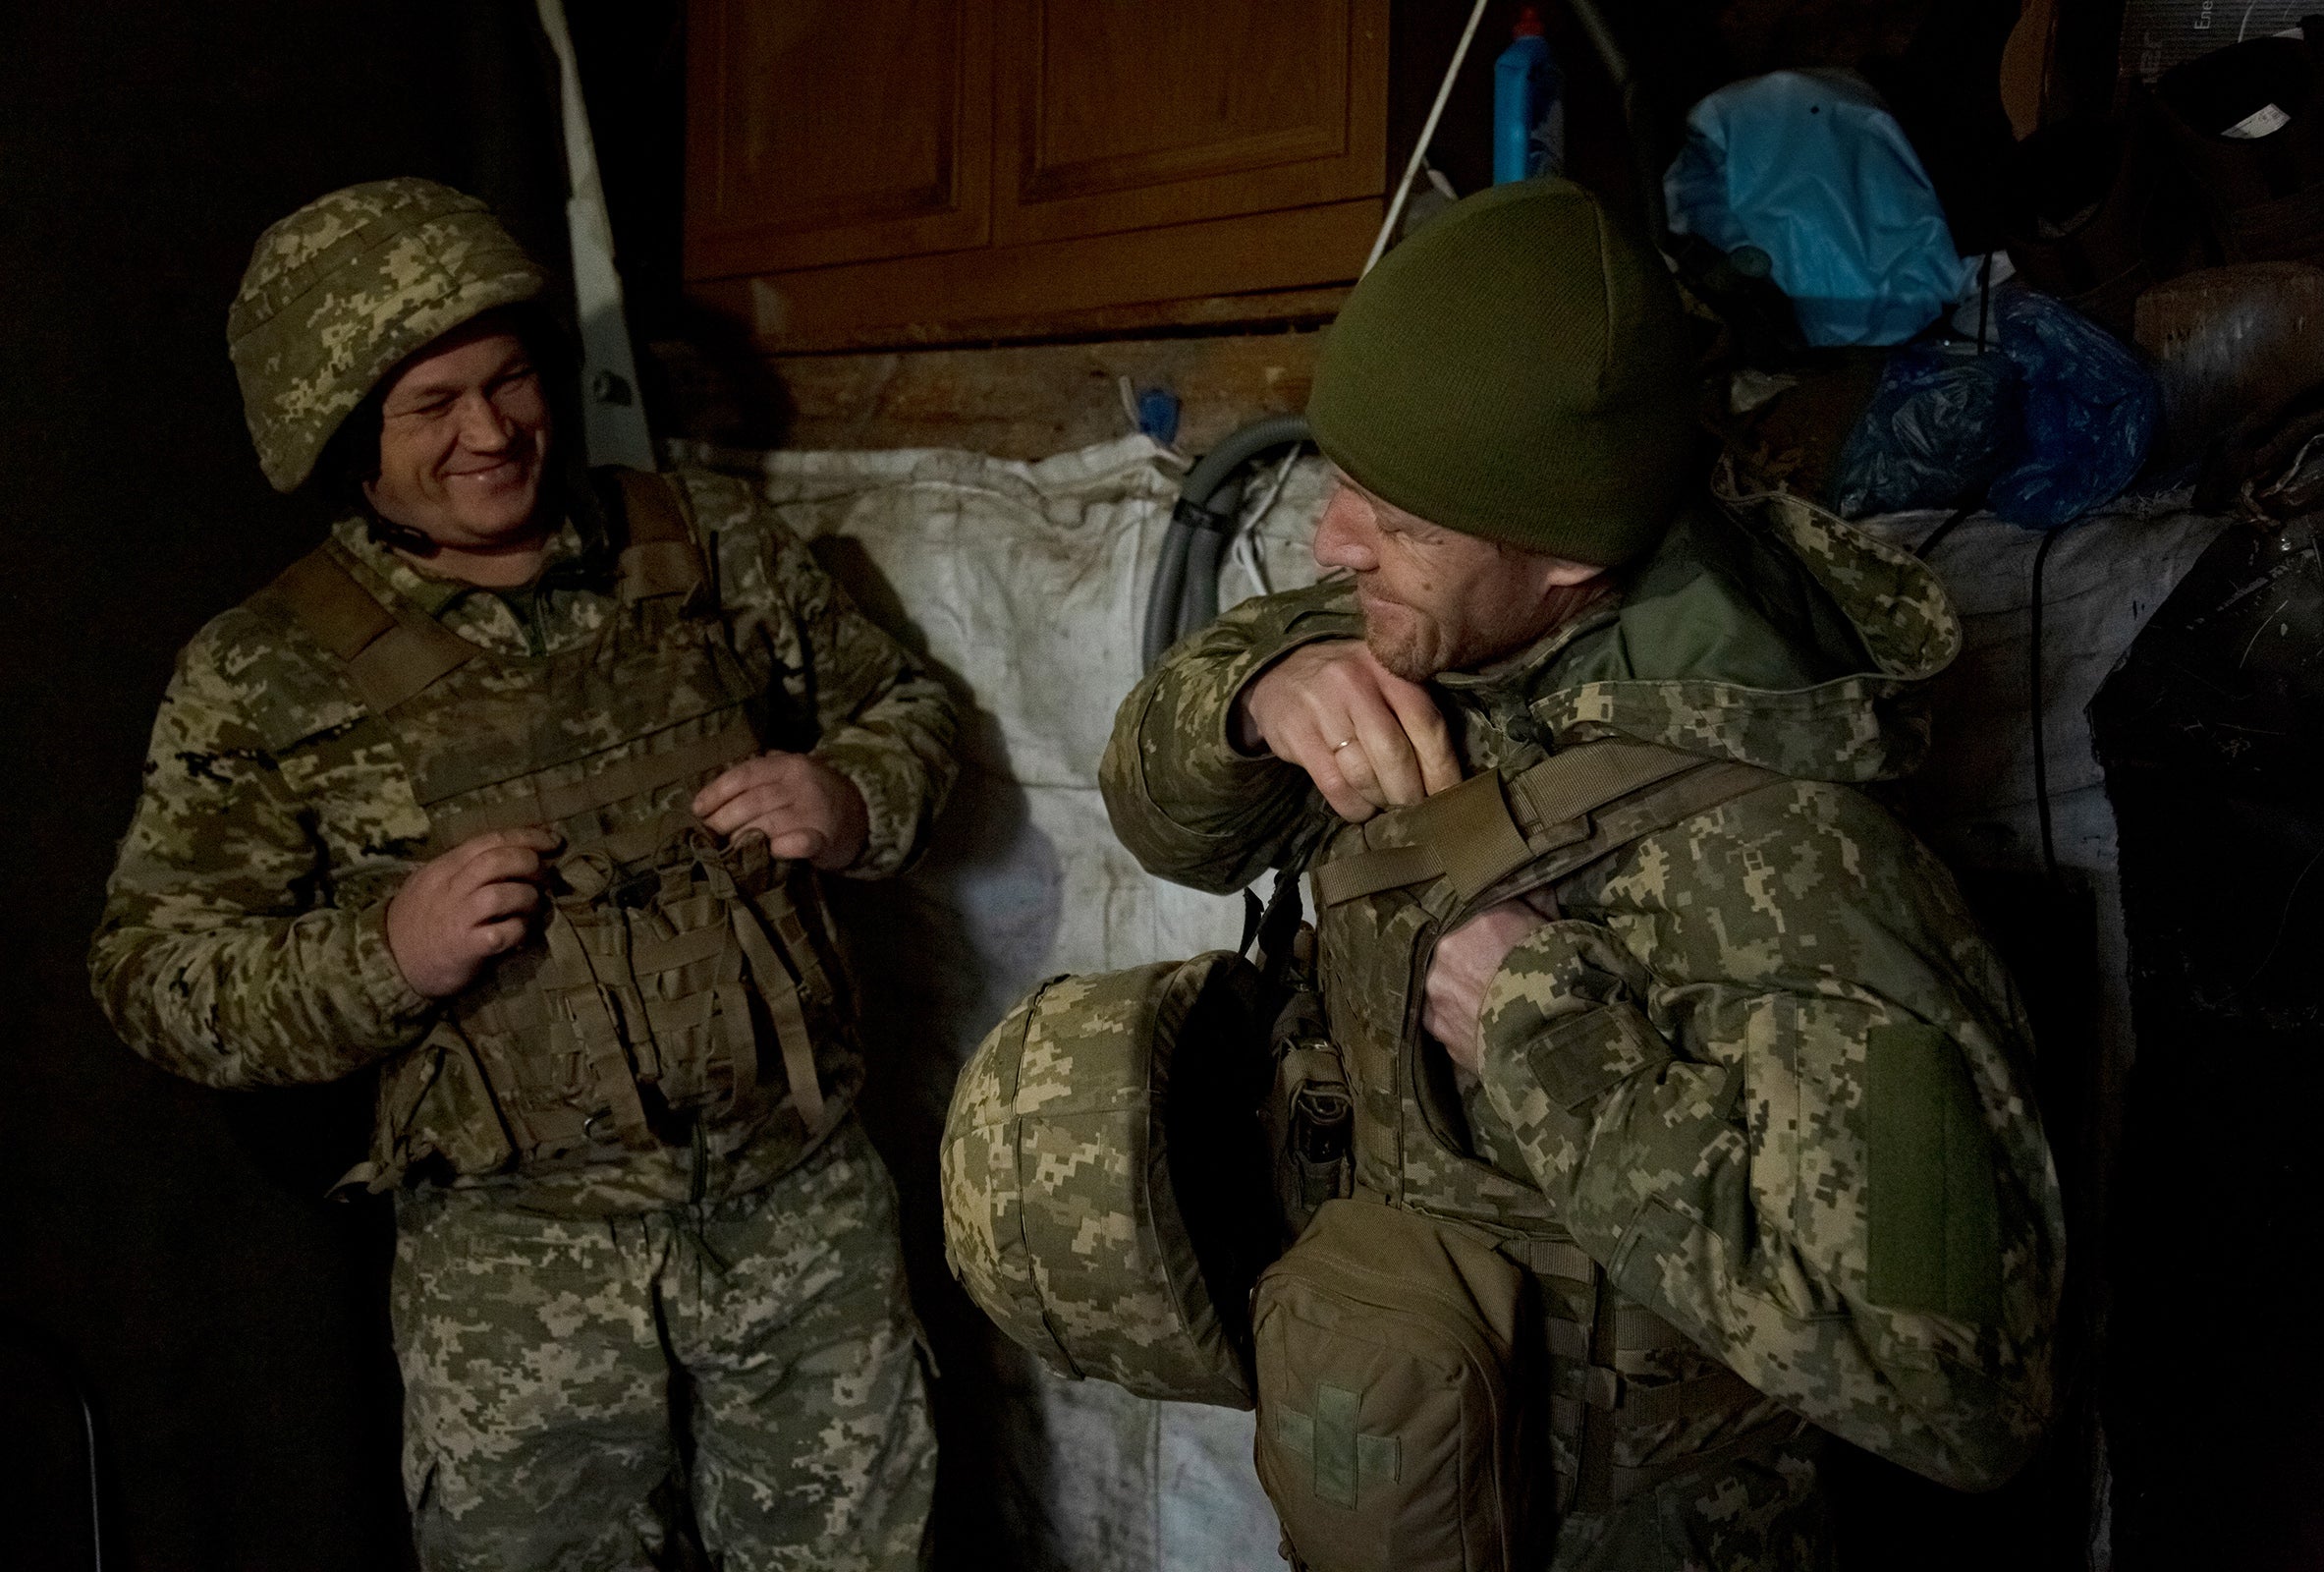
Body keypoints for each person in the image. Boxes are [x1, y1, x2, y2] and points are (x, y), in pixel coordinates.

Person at [1099, 179, 2064, 1569]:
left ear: (1567, 557)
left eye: (1399, 519)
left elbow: (1966, 1393)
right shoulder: (1440, 614)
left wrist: (1539, 1030)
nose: (1330, 541)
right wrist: (1258, 694)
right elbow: (1161, 818)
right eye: (1340, 482)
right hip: (1397, 1468)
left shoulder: (1799, 866)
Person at [89, 178, 952, 1571]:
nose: (492, 434)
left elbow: (902, 706)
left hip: (801, 1212)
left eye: (507, 382)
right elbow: (154, 978)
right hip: (518, 1264)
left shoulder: (710, 546)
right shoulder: (264, 671)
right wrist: (387, 952)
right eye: (431, 407)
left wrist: (850, 799)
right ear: (338, 434)